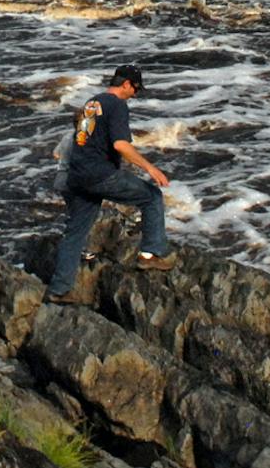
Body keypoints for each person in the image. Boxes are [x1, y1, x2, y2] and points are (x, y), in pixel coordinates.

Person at [45, 64, 175, 303]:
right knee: (151, 197)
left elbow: (81, 139)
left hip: (77, 177)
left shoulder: (91, 104)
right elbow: (120, 145)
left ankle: (59, 290)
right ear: (126, 84)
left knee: (75, 233)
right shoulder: (117, 105)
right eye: (135, 89)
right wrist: (151, 168)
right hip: (100, 175)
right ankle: (151, 254)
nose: (135, 94)